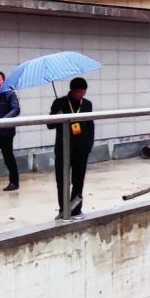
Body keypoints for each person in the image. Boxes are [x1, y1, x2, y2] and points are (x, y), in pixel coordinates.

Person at [49, 76, 96, 216]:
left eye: (84, 92)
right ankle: (64, 209)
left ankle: (76, 208)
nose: (82, 95)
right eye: (80, 92)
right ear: (73, 91)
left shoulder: (87, 104)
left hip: (81, 148)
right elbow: (49, 124)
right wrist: (58, 116)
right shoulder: (59, 103)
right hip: (64, 147)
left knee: (78, 180)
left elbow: (90, 125)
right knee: (62, 180)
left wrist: (89, 144)